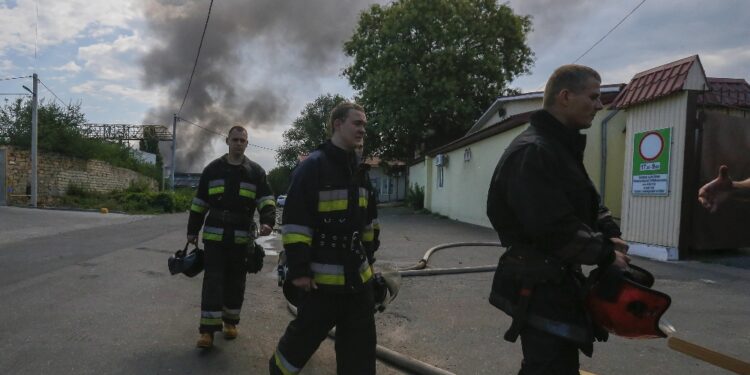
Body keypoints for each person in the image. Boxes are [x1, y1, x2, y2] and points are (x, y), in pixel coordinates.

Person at [486, 64, 630, 375]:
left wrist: (608, 230)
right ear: (565, 96)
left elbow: (584, 199)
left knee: (554, 367)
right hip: (539, 285)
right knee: (548, 369)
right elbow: (553, 227)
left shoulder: (558, 147)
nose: (599, 105)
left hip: (556, 284)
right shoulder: (534, 151)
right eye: (593, 97)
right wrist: (605, 253)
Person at [270, 102, 380, 375]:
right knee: (298, 346)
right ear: (337, 124)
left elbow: (369, 225)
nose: (362, 129)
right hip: (319, 285)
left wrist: (370, 264)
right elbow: (295, 224)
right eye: (357, 123)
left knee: (360, 353)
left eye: (364, 124)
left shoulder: (361, 171)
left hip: (358, 284)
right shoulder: (313, 167)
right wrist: (299, 270)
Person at [187, 125, 276, 349]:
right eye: (234, 139)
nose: (238, 143)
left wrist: (268, 221)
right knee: (212, 282)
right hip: (215, 237)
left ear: (247, 144)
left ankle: (230, 323)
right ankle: (207, 331)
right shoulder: (212, 170)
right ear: (227, 141)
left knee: (236, 282)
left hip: (240, 240)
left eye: (242, 140)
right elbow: (199, 203)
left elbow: (266, 199)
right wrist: (192, 231)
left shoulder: (256, 172)